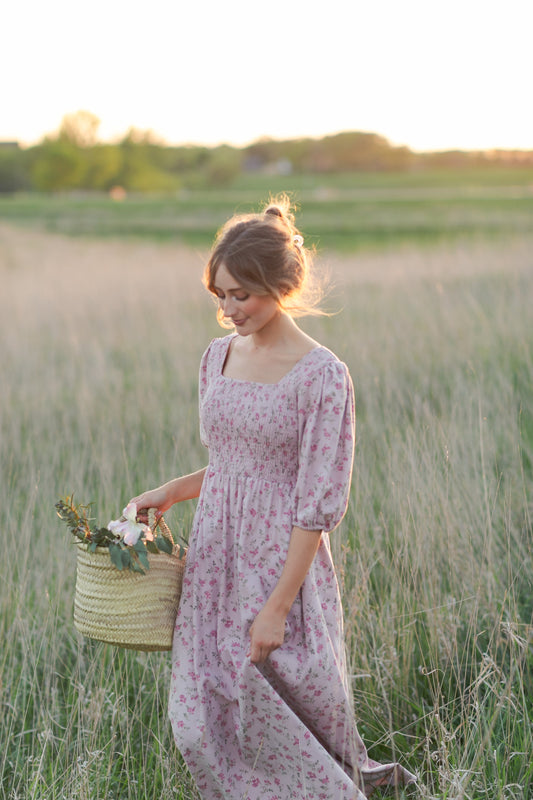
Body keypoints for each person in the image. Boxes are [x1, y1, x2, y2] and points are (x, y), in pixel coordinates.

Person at [130, 197, 416, 799]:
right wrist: (172, 492)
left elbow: (315, 504)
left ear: (282, 285)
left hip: (278, 569)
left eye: (244, 295)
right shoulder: (217, 358)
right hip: (213, 564)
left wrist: (278, 608)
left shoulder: (321, 376)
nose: (230, 309)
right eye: (221, 295)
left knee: (285, 720)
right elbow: (235, 466)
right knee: (199, 725)